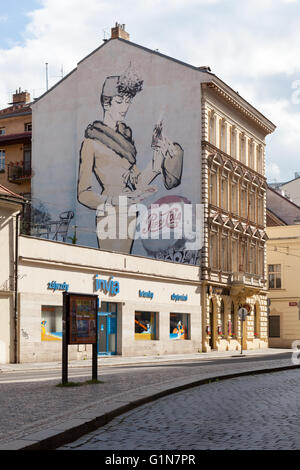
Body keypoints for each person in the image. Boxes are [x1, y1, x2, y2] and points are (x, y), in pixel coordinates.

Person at [77, 64, 183, 253]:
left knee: (125, 264)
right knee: (111, 268)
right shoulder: (90, 142)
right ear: (106, 103)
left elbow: (138, 181)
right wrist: (114, 200)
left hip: (131, 210)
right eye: (120, 101)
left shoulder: (126, 138)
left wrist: (157, 159)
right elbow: (83, 194)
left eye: (128, 101)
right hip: (109, 212)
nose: (125, 107)